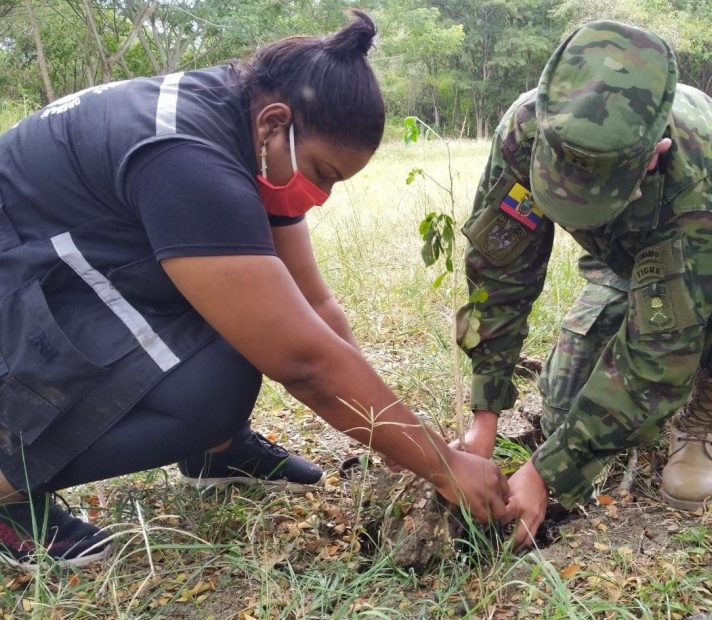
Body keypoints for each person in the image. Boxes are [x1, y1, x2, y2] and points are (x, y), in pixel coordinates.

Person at [0, 10, 509, 570]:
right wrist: (441, 464)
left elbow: (314, 305)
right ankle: (7, 483)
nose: (322, 195)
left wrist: (385, 430)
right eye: (324, 172)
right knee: (211, 388)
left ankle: (214, 453)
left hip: (71, 261)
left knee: (239, 333)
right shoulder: (188, 158)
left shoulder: (249, 129)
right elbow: (303, 361)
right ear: (275, 122)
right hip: (19, 282)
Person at [455, 20, 712, 547]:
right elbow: (499, 271)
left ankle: (702, 417)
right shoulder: (528, 127)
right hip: (627, 265)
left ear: (655, 152)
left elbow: (661, 351)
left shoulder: (700, 166)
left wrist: (545, 473)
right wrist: (484, 415)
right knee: (563, 409)